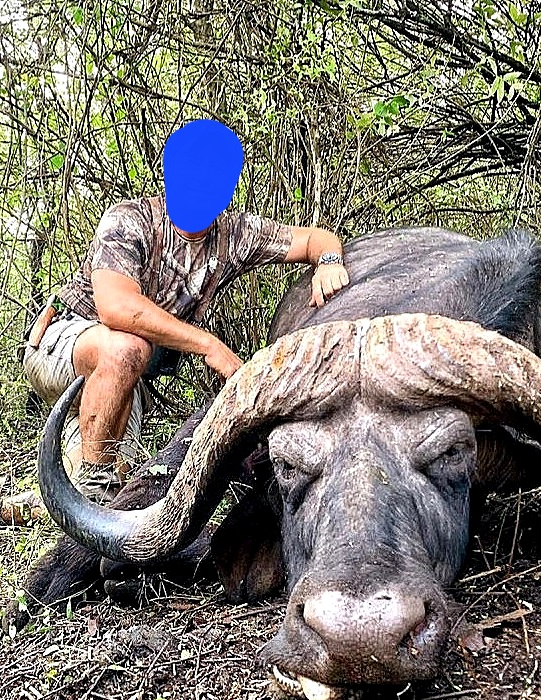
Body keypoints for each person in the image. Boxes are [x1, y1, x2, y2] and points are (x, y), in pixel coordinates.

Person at [22, 120, 349, 499]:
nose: (201, 189)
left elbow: (315, 238)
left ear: (228, 188)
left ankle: (30, 502)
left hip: (123, 377)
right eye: (191, 176)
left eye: (215, 181)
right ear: (168, 173)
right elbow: (116, 309)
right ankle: (94, 489)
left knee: (126, 479)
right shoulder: (129, 220)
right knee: (126, 354)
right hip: (63, 344)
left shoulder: (235, 233)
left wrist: (327, 260)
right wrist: (209, 345)